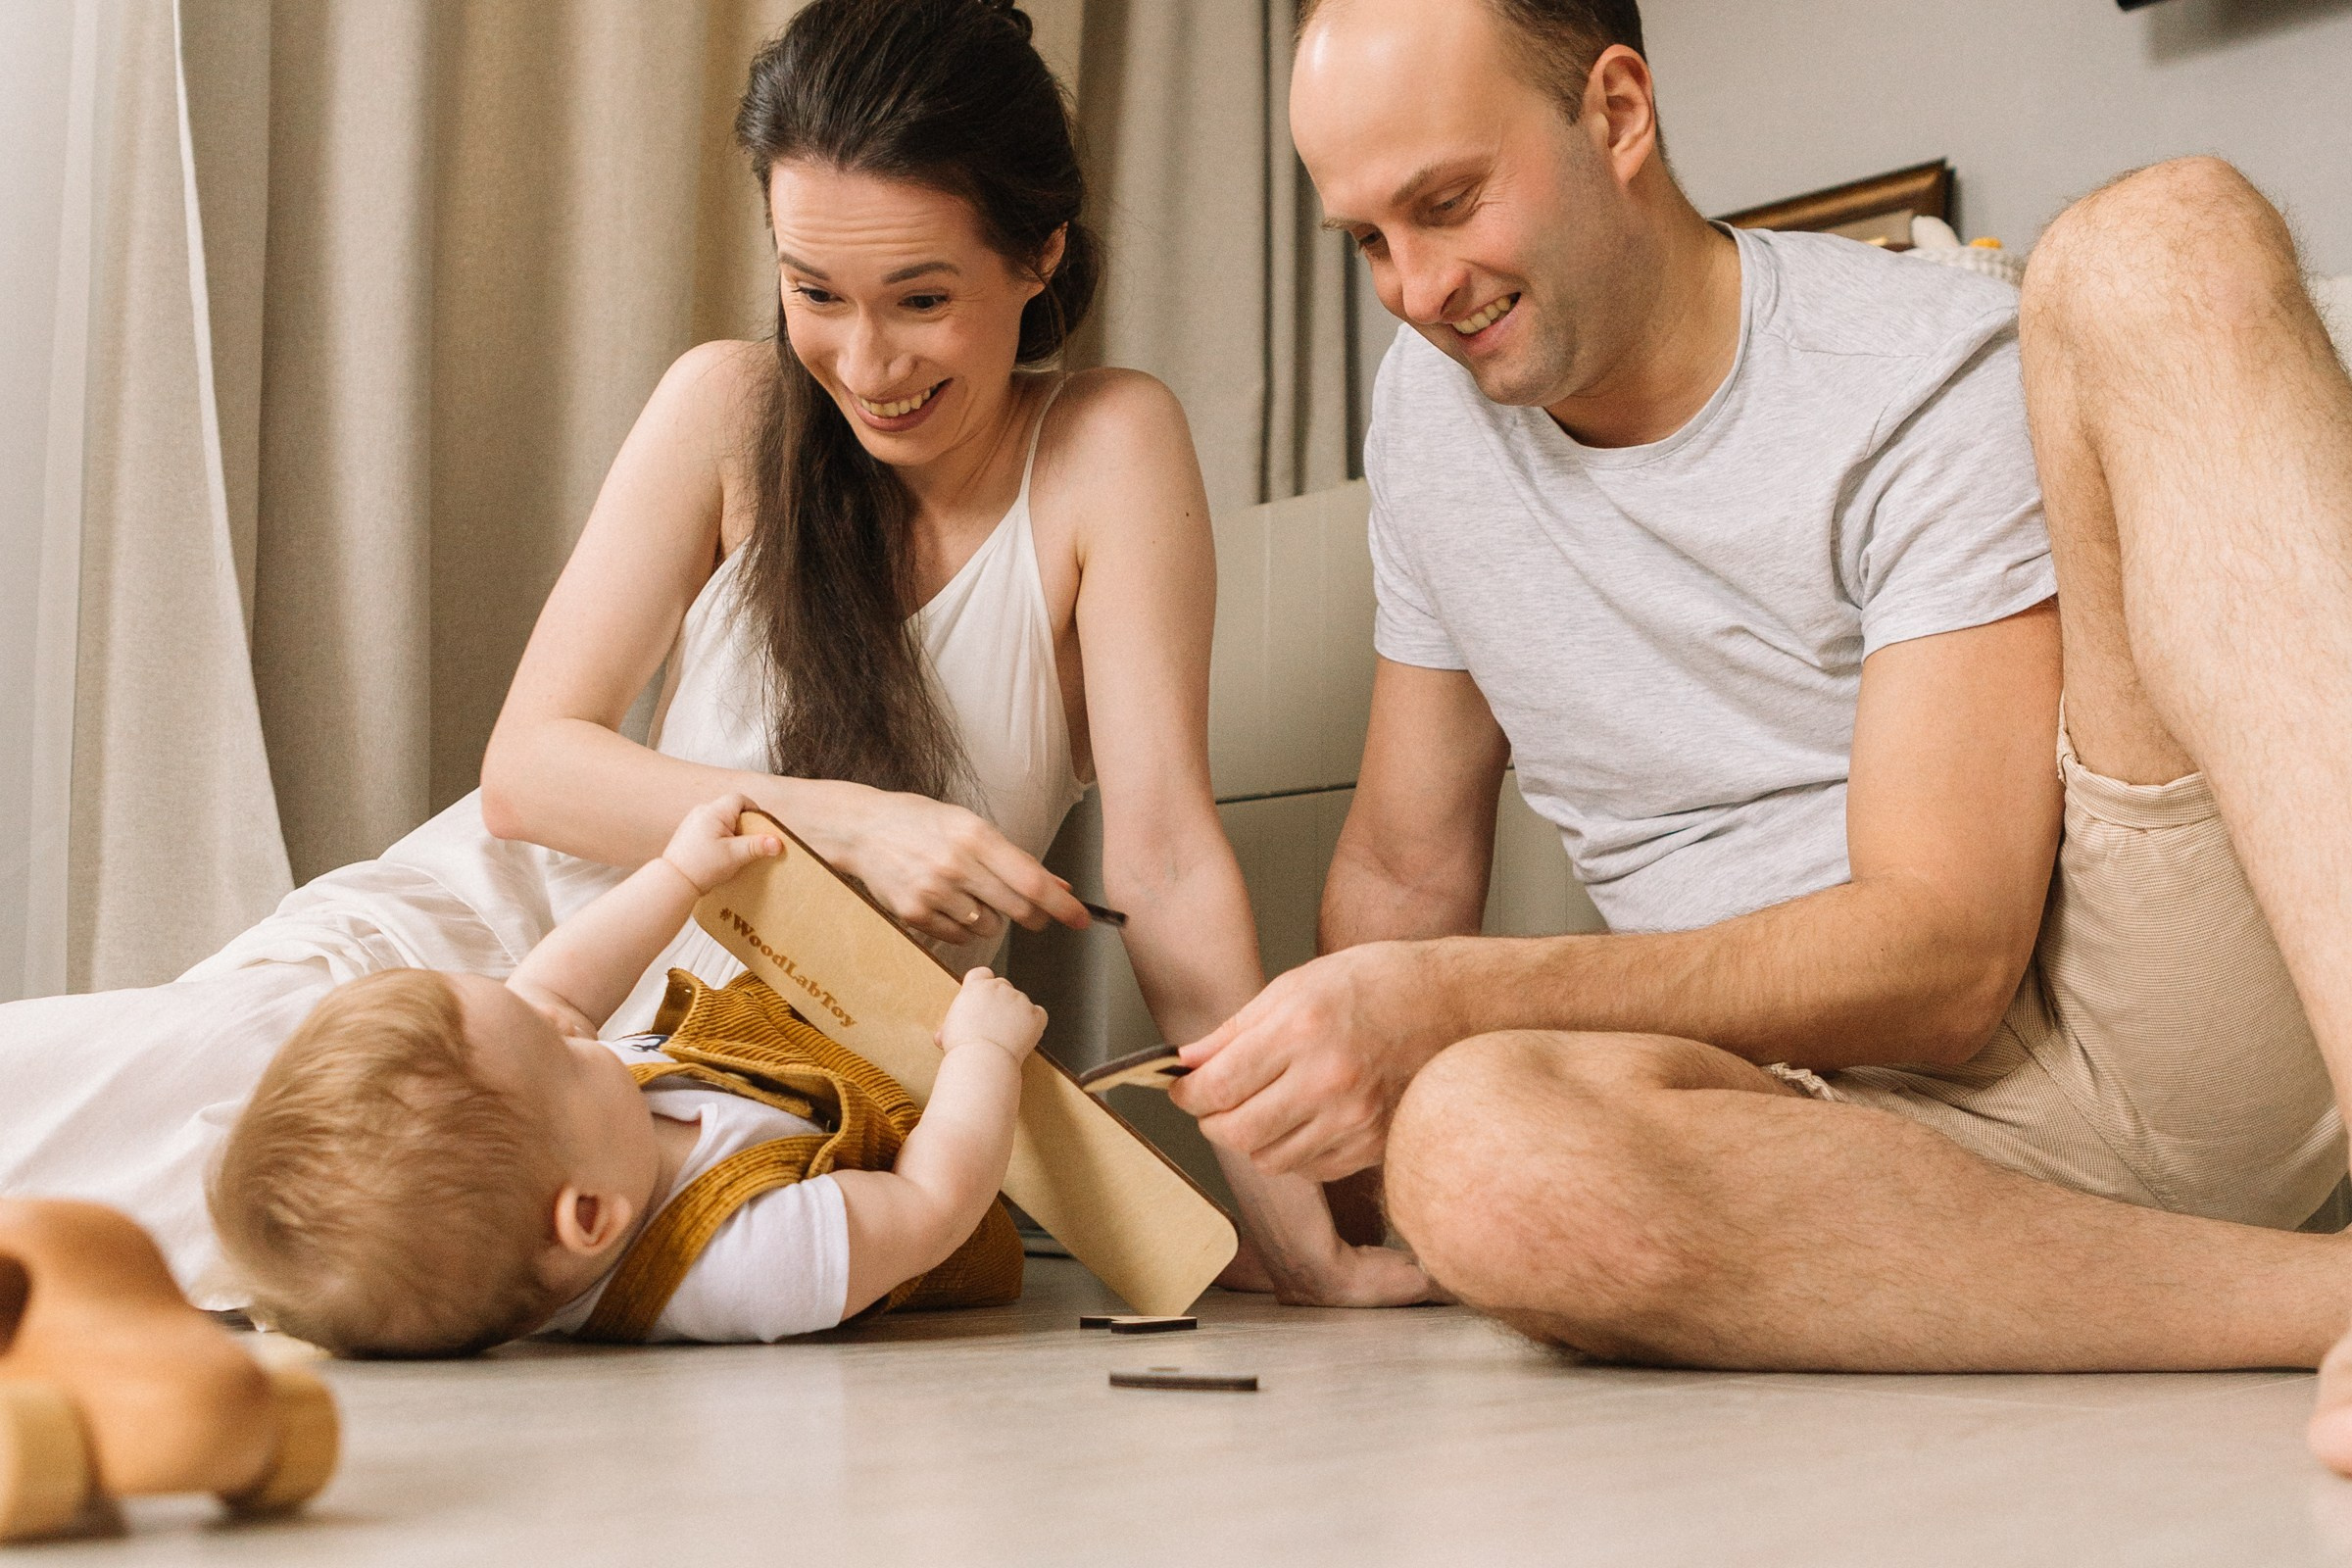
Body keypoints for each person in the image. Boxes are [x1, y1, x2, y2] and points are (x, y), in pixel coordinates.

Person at [1, 0, 1425, 1312]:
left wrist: (1297, 1242)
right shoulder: (729, 408)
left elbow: (1168, 871)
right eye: (816, 292)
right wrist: (844, 822)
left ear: (1039, 253)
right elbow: (529, 774)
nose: (866, 362)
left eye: (921, 298)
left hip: (716, 1099)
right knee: (177, 1116)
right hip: (494, 973)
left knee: (263, 1235)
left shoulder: (1108, 451)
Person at [1172, 0, 2352, 1463]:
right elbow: (1407, 871)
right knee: (1473, 1154)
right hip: (1822, 1136)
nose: (1413, 288)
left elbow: (1948, 961)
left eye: (1448, 203)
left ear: (1616, 113)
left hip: (2136, 1000)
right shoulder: (1430, 419)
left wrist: (1447, 999)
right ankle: (2320, 1300)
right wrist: (1334, 1199)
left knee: (2161, 236)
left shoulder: (1912, 367)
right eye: (1365, 240)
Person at [211, 795, 1046, 1355]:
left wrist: (677, 877)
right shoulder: (741, 1263)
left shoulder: (575, 1141)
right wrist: (984, 1056)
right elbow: (930, 1205)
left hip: (806, 1066)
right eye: (561, 1053)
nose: (565, 1025)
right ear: (588, 1215)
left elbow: (554, 991)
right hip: (939, 1150)